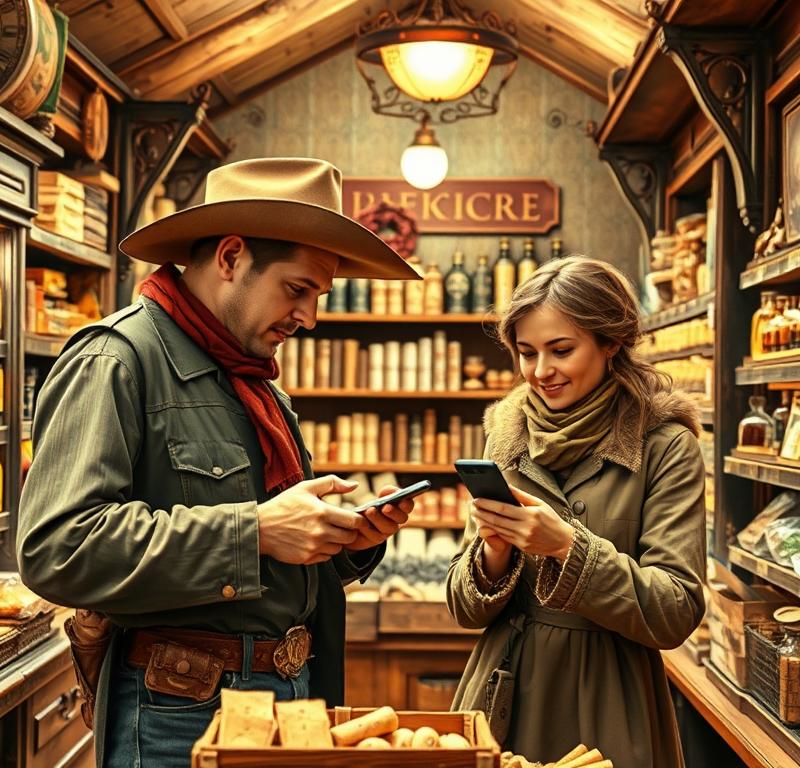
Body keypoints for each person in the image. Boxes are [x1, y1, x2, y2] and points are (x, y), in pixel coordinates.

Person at [17, 157, 421, 768]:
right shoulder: (116, 361)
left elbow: (268, 571)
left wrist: (342, 538)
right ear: (231, 257)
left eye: (318, 296)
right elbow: (58, 548)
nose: (309, 318)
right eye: (297, 289)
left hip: (288, 698)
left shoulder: (254, 382)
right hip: (179, 712)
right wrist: (257, 530)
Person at [447, 256, 705, 768]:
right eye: (526, 353)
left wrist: (567, 546)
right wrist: (493, 554)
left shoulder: (664, 446)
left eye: (561, 350)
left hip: (609, 700)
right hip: (504, 696)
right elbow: (464, 609)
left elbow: (676, 610)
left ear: (611, 344)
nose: (541, 372)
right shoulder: (505, 436)